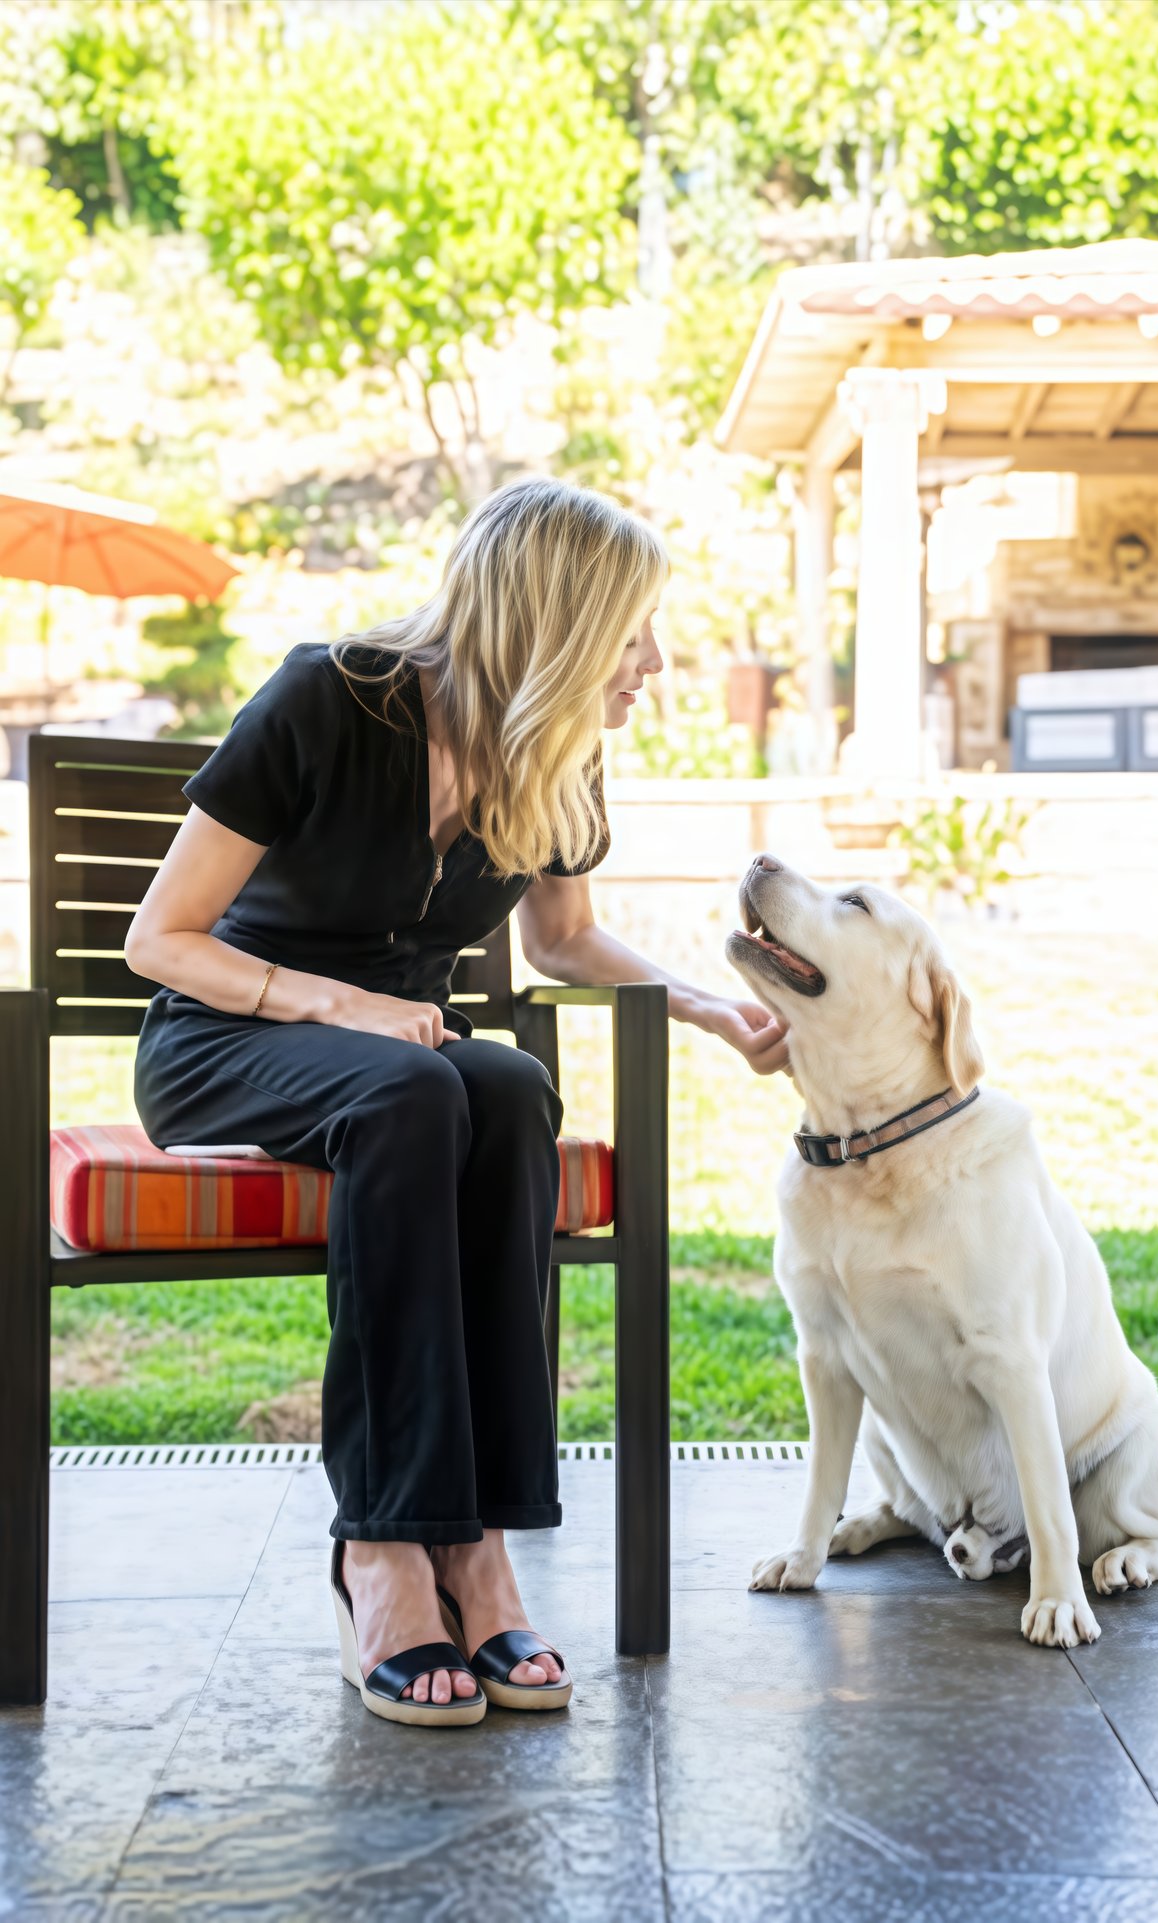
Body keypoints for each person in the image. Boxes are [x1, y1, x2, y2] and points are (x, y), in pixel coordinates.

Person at [125, 476, 789, 1727]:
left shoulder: (555, 758)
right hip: (228, 1035)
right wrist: (344, 1007)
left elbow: (568, 940)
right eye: (632, 630)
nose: (652, 662)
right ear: (554, 617)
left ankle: (475, 1543)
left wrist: (706, 1008)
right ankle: (382, 1548)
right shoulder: (331, 697)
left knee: (506, 1083)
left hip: (404, 1059)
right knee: (419, 1091)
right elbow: (161, 939)